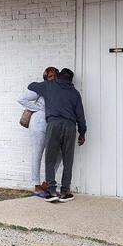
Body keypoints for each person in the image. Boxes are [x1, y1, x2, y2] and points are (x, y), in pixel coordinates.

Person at [28, 68, 86, 203]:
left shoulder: (50, 86)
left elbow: (31, 86)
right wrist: (82, 133)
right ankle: (65, 192)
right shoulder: (75, 93)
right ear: (71, 80)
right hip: (70, 126)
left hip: (53, 125)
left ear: (59, 77)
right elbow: (81, 116)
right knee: (68, 160)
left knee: (50, 158)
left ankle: (52, 191)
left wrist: (45, 79)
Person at [19, 67, 59, 199]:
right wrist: (39, 109)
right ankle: (36, 185)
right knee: (37, 152)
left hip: (50, 123)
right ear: (46, 78)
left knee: (56, 153)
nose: (53, 78)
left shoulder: (58, 89)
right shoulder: (42, 88)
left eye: (55, 76)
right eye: (50, 76)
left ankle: (47, 184)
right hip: (38, 123)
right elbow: (22, 99)